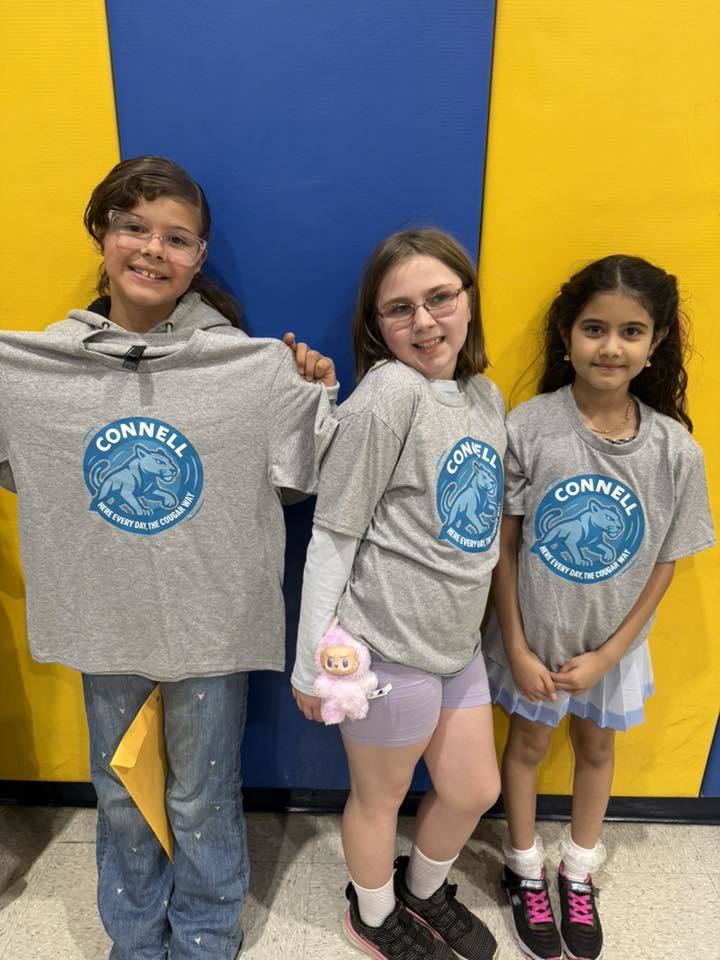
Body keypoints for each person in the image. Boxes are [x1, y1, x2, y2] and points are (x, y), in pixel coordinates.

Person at [0, 155, 338, 960]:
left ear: (198, 255)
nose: (152, 249)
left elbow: (298, 479)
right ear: (101, 234)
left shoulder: (248, 368)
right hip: (103, 617)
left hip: (209, 627)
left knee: (201, 796)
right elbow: (25, 473)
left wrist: (308, 391)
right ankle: (133, 936)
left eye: (176, 238)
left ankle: (208, 933)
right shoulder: (37, 369)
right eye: (133, 227)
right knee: (119, 792)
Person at [484, 254, 715, 960]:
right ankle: (524, 868)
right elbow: (506, 545)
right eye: (594, 328)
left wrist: (612, 653)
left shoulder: (675, 448)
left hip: (612, 646)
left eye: (630, 331)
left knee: (596, 748)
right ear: (566, 333)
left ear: (656, 341)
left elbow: (667, 561)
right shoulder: (531, 426)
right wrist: (517, 647)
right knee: (523, 747)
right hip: (535, 639)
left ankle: (577, 868)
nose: (610, 347)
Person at [291, 228, 504, 960]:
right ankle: (373, 912)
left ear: (468, 301)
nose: (425, 322)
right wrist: (310, 661)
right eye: (400, 309)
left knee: (474, 789)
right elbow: (334, 533)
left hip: (456, 645)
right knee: (379, 798)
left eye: (440, 298)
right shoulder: (390, 391)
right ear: (376, 327)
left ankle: (420, 892)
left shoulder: (484, 396)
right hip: (385, 645)